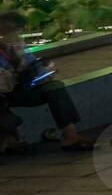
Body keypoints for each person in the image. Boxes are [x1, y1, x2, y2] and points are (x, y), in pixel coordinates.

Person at [0, 12, 92, 155]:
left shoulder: (17, 45)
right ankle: (10, 140)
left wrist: (44, 71)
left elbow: (32, 64)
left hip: (20, 88)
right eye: (15, 31)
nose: (17, 35)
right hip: (4, 93)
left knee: (55, 87)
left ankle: (70, 135)